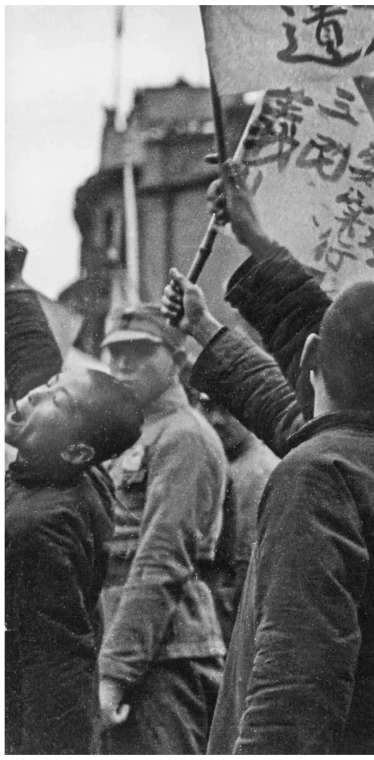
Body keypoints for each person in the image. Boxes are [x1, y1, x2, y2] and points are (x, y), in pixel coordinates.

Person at [167, 161, 374, 752]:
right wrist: (209, 329)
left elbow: (292, 688)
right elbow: (296, 408)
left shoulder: (318, 475)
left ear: (309, 361)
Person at [5, 241, 144, 754]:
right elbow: (36, 373)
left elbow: (53, 665)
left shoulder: (36, 526)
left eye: (55, 398)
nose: (34, 394)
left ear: (78, 448)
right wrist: (12, 285)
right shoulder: (77, 472)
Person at [97, 304, 228, 754]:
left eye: (140, 350)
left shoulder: (183, 436)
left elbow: (162, 558)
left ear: (177, 360)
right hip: (133, 647)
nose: (122, 363)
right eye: (113, 352)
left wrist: (115, 671)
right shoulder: (129, 435)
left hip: (167, 655)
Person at [196, 397, 279, 647]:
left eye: (228, 409)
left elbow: (247, 573)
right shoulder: (212, 457)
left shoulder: (261, 472)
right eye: (208, 407)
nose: (217, 420)